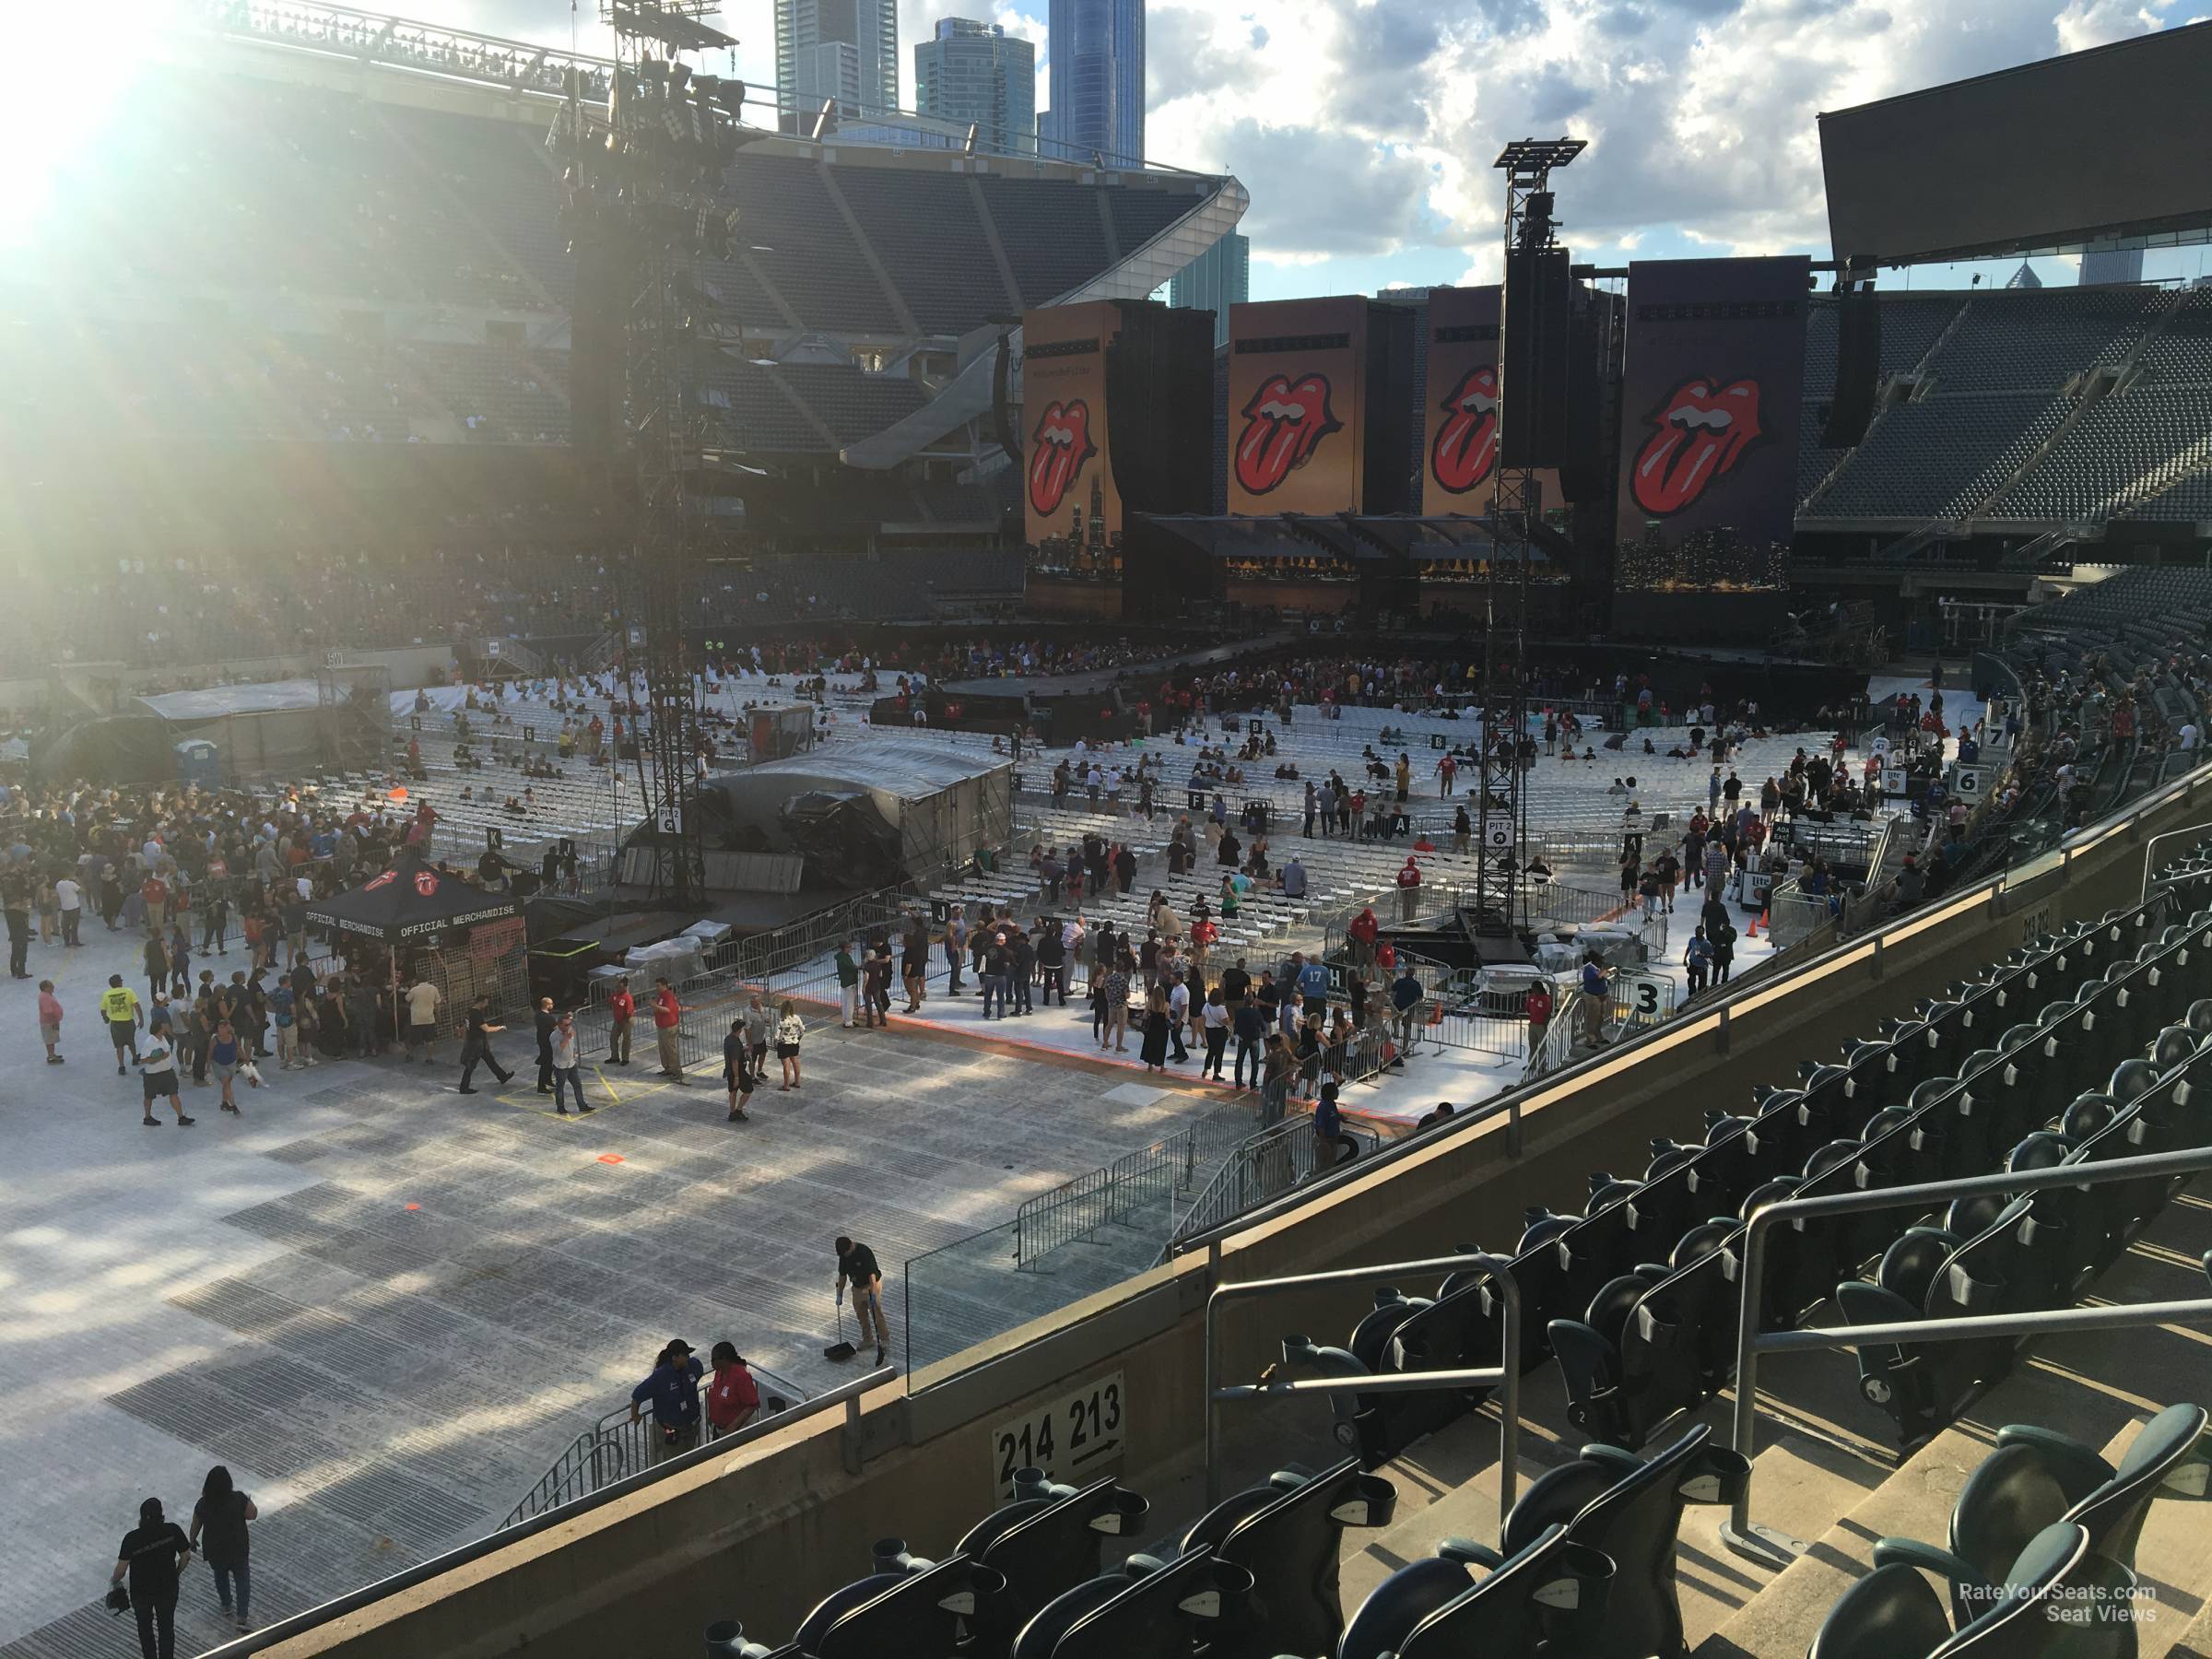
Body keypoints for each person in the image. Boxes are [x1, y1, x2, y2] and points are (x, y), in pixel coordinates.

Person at [114, 1497, 192, 1659]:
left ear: (142, 1517)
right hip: (167, 1588)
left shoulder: (132, 1539)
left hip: (141, 1593)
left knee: (145, 1629)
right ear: (161, 1514)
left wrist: (114, 1581)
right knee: (166, 1628)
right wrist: (177, 1572)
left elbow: (121, 1570)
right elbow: (185, 1555)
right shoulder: (172, 1530)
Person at [188, 1465, 256, 1636]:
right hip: (238, 1548)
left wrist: (192, 1540)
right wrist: (249, 1499)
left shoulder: (202, 1504)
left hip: (215, 1550)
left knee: (220, 1576)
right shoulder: (238, 1499)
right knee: (242, 1581)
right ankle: (241, 1618)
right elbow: (252, 1514)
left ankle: (226, 1604)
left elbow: (195, 1524)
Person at [629, 1339, 705, 1460]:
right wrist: (635, 1415)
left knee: (690, 1460)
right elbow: (637, 1395)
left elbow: (698, 1375)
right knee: (678, 1466)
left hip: (691, 1428)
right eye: (684, 1355)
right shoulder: (661, 1377)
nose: (688, 1357)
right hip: (672, 1431)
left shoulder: (693, 1366)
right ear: (674, 1358)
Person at [835, 1235, 889, 1366]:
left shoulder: (864, 1252)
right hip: (857, 1287)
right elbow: (842, 1275)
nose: (845, 1256)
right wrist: (839, 1294)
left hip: (871, 1285)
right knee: (861, 1315)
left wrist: (873, 1294)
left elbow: (872, 1275)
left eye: (846, 1253)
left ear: (851, 1247)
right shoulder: (844, 1256)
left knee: (877, 1314)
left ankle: (884, 1340)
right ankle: (868, 1339)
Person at [456, 994, 512, 1094]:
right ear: (481, 1002)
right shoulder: (477, 1014)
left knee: (490, 1060)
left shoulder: (469, 1012)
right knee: (470, 1065)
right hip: (477, 1043)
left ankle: (502, 1077)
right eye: (486, 1002)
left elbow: (464, 1026)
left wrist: (462, 1037)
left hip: (477, 1042)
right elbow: (486, 1029)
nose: (487, 1004)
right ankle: (463, 1088)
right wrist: (500, 1027)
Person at [704, 1341, 760, 1438]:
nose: (711, 1362)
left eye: (714, 1359)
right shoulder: (719, 1372)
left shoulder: (741, 1376)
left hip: (735, 1432)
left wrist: (732, 1427)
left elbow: (751, 1405)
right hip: (719, 1429)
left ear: (724, 1359)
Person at [138, 1038, 194, 1128]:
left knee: (173, 1093)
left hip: (167, 1072)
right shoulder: (149, 1042)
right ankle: (147, 1117)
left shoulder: (163, 1039)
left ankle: (181, 1117)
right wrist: (161, 1057)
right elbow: (143, 1060)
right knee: (149, 1096)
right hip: (152, 1074)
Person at [101, 973, 144, 1074]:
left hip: (115, 1024)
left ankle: (121, 1066)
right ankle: (134, 1058)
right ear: (120, 983)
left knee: (119, 1046)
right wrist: (141, 1019)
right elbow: (136, 1005)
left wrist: (106, 1018)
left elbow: (103, 1009)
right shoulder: (128, 991)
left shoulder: (106, 994)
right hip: (128, 1022)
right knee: (131, 1042)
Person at [550, 1011, 590, 1114]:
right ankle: (560, 1107)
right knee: (560, 1087)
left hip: (571, 1064)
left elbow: (572, 1044)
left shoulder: (570, 1031)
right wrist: (566, 1038)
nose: (569, 1026)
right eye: (566, 1024)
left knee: (577, 1085)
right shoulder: (554, 1036)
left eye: (569, 1024)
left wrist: (574, 1052)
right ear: (559, 1024)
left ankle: (582, 1105)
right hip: (560, 1066)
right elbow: (558, 1050)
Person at [652, 977, 685, 1081]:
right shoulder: (661, 995)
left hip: (668, 1027)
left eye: (658, 986)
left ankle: (677, 1071)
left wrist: (655, 1006)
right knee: (663, 1049)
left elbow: (667, 1010)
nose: (656, 988)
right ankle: (668, 1068)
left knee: (671, 1050)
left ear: (664, 985)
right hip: (661, 1026)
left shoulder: (668, 996)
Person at [404, 973, 441, 1063]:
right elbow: (437, 1004)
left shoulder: (414, 990)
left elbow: (407, 999)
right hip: (429, 1018)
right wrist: (438, 1015)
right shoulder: (433, 988)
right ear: (427, 979)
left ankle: (410, 1055)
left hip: (417, 1019)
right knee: (430, 1040)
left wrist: (412, 986)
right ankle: (430, 1057)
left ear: (417, 980)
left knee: (414, 1040)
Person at [723, 1018, 755, 1121]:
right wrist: (737, 1078)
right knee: (749, 1089)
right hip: (738, 1071)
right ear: (739, 1030)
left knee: (733, 1091)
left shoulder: (728, 1039)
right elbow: (735, 1061)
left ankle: (732, 1112)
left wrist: (742, 1049)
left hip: (729, 1070)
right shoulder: (735, 1043)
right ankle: (739, 1110)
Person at [774, 998, 806, 1089]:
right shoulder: (796, 1018)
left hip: (784, 1044)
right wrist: (798, 1039)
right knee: (796, 1062)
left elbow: (776, 1035)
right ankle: (797, 1082)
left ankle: (786, 1085)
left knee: (786, 1065)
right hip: (794, 1042)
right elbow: (802, 1030)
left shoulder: (781, 1020)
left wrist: (777, 1042)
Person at [1140, 987, 1171, 1075]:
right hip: (1162, 1028)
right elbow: (1167, 1017)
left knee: (1150, 1045)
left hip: (1152, 1027)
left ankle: (1150, 1066)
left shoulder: (1150, 1002)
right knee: (1161, 1046)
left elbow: (1145, 1015)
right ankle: (1162, 1067)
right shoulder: (1166, 1004)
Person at [533, 995, 558, 1094]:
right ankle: (541, 1087)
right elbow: (557, 1029)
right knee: (546, 1064)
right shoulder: (549, 1018)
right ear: (547, 1005)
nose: (553, 1005)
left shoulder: (538, 1015)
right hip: (548, 1043)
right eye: (551, 1003)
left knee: (550, 1062)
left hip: (542, 1041)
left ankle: (548, 1080)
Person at [606, 975, 634, 1065]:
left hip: (626, 1021)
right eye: (617, 987)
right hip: (617, 1020)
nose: (618, 989)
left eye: (620, 987)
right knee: (613, 1038)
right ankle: (615, 1057)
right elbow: (610, 1001)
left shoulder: (627, 998)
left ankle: (625, 1059)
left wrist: (624, 1021)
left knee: (626, 1040)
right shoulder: (616, 994)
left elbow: (629, 1012)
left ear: (625, 987)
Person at [1524, 979, 1554, 1056]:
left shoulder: (1545, 998)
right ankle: (1532, 1064)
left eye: (1534, 988)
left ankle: (1542, 1066)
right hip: (1532, 1024)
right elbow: (1527, 1007)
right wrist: (1516, 1012)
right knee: (1532, 1045)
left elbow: (1548, 1014)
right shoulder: (1532, 996)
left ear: (1538, 988)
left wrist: (1545, 1025)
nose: (1533, 990)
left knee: (1542, 1046)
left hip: (1541, 1025)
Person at [834, 940, 861, 1029]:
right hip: (850, 982)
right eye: (849, 947)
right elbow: (851, 967)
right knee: (850, 1003)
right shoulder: (845, 958)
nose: (851, 949)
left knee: (845, 1002)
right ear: (845, 948)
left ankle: (845, 1019)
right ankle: (848, 1022)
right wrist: (858, 967)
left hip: (844, 982)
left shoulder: (841, 957)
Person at [37, 978, 63, 1065]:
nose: (53, 987)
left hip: (49, 1022)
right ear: (45, 988)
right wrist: (55, 1021)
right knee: (50, 1039)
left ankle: (52, 1054)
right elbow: (48, 1011)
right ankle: (51, 1056)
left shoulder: (46, 995)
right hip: (49, 1022)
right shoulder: (45, 997)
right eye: (51, 986)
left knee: (51, 1039)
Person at [1685, 927, 1713, 997]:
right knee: (1691, 982)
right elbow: (1689, 948)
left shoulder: (1707, 943)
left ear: (1703, 933)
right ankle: (1692, 996)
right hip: (1693, 964)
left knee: (1702, 985)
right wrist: (1684, 958)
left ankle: (1700, 997)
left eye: (1699, 932)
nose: (1697, 934)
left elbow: (1712, 955)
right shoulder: (1692, 940)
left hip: (1702, 966)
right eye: (1696, 932)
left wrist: (1703, 955)